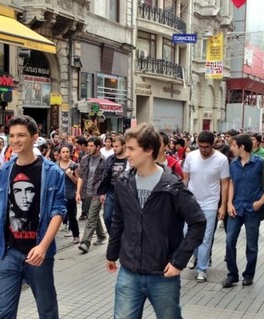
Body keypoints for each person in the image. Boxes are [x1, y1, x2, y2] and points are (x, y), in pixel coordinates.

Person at [106, 123, 206, 318]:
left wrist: (178, 262)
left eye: (131, 148)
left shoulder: (172, 186)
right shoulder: (123, 182)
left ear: (149, 150)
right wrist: (112, 254)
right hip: (129, 271)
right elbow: (119, 220)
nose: (127, 153)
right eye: (126, 148)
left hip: (163, 274)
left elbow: (198, 222)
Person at [0, 115, 67, 318]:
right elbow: (0, 208)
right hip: (9, 251)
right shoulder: (5, 170)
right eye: (12, 135)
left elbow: (58, 211)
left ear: (34, 137)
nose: (15, 140)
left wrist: (43, 247)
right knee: (3, 312)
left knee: (47, 310)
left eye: (21, 135)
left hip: (38, 251)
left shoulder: (52, 172)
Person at [223, 134, 264, 288]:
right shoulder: (233, 164)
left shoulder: (260, 163)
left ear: (242, 147)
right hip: (236, 208)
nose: (231, 148)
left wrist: (261, 201)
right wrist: (229, 203)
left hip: (253, 209)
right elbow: (232, 183)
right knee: (229, 240)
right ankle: (232, 274)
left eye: (233, 145)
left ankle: (248, 275)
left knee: (251, 244)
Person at [182, 131, 230, 283]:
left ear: (213, 144)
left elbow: (225, 183)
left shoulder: (221, 160)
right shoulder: (191, 157)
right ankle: (197, 256)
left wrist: (223, 205)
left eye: (207, 147)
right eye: (201, 146)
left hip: (210, 203)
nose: (203, 150)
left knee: (205, 238)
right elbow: (185, 179)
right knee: (186, 233)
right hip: (191, 202)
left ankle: (201, 269)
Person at [76, 137, 107, 253]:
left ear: (98, 147)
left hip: (97, 193)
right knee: (92, 214)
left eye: (91, 146)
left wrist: (103, 193)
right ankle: (102, 235)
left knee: (91, 218)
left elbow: (105, 179)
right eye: (88, 145)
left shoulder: (104, 161)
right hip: (86, 192)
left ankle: (85, 243)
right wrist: (78, 192)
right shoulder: (84, 159)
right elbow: (81, 176)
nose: (89, 148)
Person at [97, 136, 128, 233]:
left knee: (123, 219)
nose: (114, 148)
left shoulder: (129, 160)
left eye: (117, 146)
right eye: (113, 146)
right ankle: (113, 238)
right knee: (107, 217)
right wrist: (102, 192)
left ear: (123, 146)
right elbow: (105, 177)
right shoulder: (110, 159)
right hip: (111, 192)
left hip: (125, 193)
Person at [57, 145, 80, 243]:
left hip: (70, 194)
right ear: (60, 154)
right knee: (56, 215)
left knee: (72, 216)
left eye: (67, 152)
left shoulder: (74, 165)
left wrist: (71, 176)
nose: (65, 154)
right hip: (59, 195)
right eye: (63, 152)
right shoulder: (56, 165)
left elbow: (78, 181)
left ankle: (76, 235)